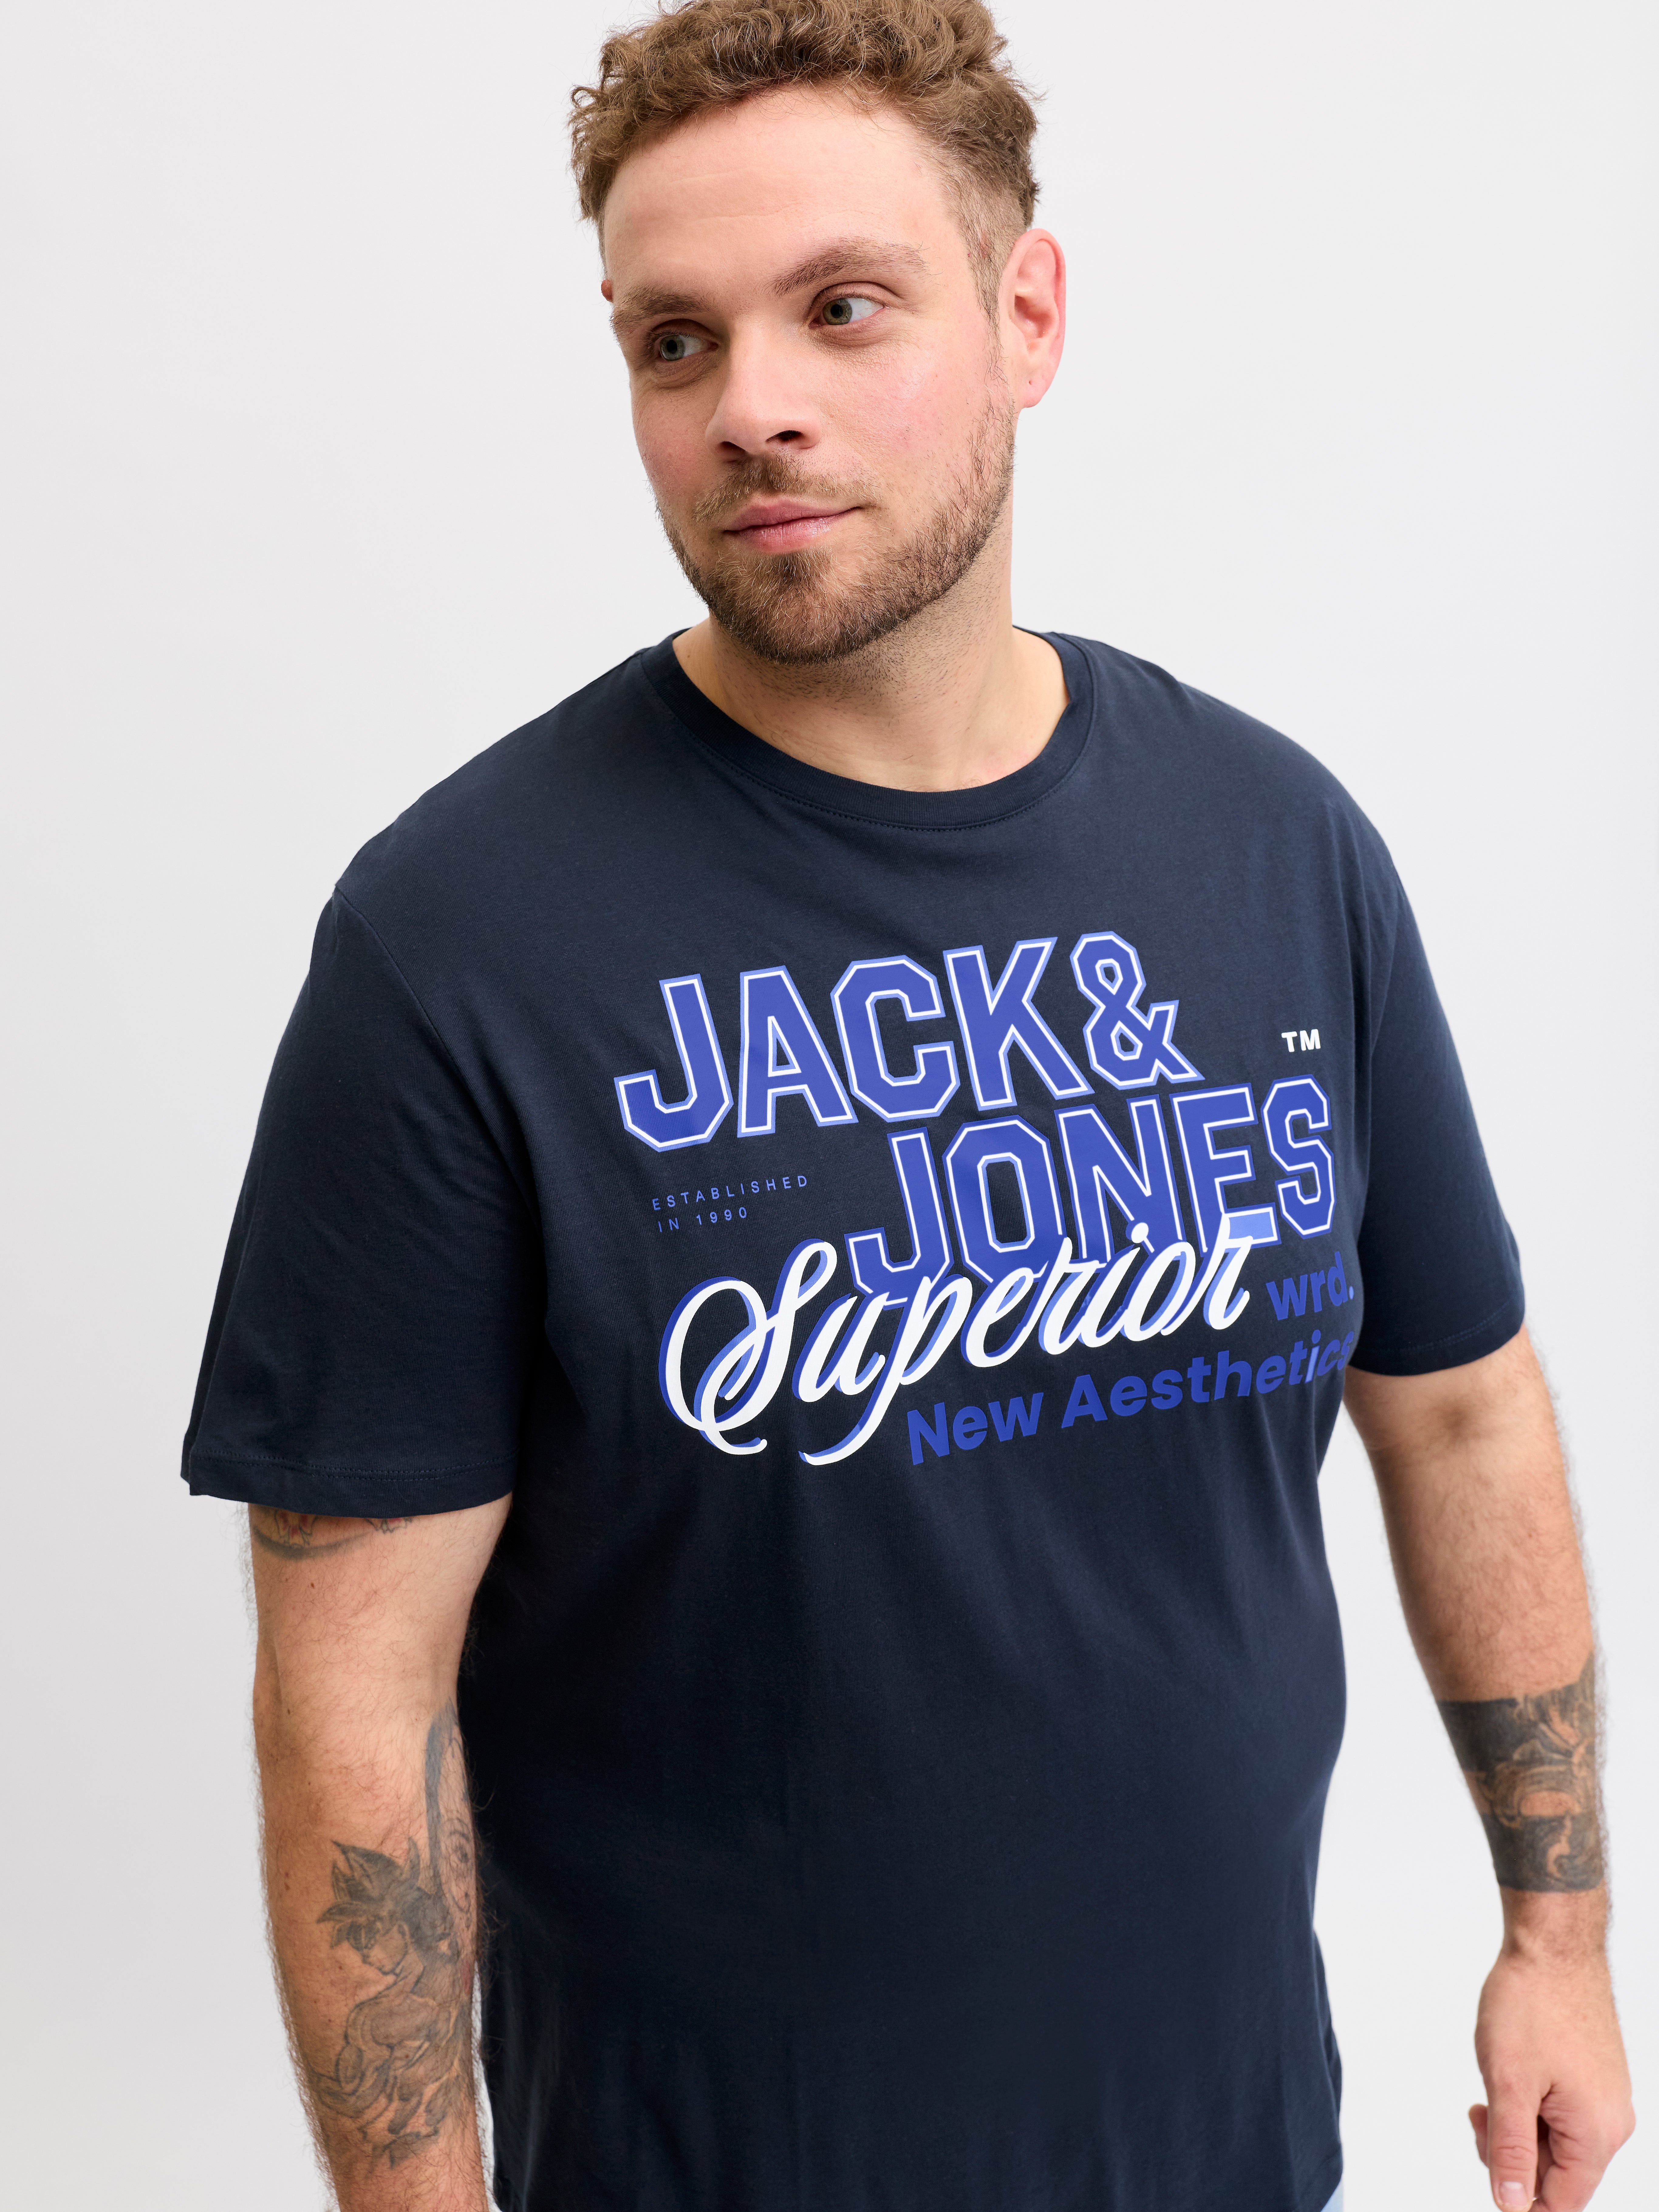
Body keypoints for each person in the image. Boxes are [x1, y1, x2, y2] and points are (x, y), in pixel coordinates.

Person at [181, 4, 1634, 2208]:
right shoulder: (458, 941)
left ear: (1025, 315)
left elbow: (1455, 1408)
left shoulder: (1274, 848)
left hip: (1235, 2150)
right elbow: (350, 1709)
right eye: (674, 341)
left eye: (841, 308)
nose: (749, 403)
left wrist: (1557, 1934)